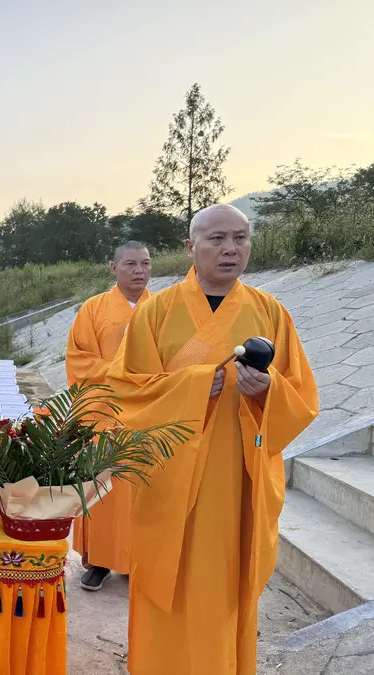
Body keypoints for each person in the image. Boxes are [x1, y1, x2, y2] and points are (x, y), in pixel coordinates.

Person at [106, 204, 318, 674]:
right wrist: (194, 386)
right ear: (190, 247)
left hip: (237, 479)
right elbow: (123, 392)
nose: (230, 249)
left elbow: (301, 398)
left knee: (224, 584)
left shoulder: (270, 312)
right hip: (171, 477)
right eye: (217, 238)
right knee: (169, 578)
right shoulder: (157, 311)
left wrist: (267, 393)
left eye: (240, 238)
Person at [65, 240, 151, 591]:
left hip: (146, 411)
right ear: (113, 268)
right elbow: (78, 359)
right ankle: (99, 560)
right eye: (130, 264)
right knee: (102, 486)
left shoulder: (163, 308)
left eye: (145, 263)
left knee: (140, 490)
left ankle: (135, 560)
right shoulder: (94, 308)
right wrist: (119, 371)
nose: (139, 271)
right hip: (102, 411)